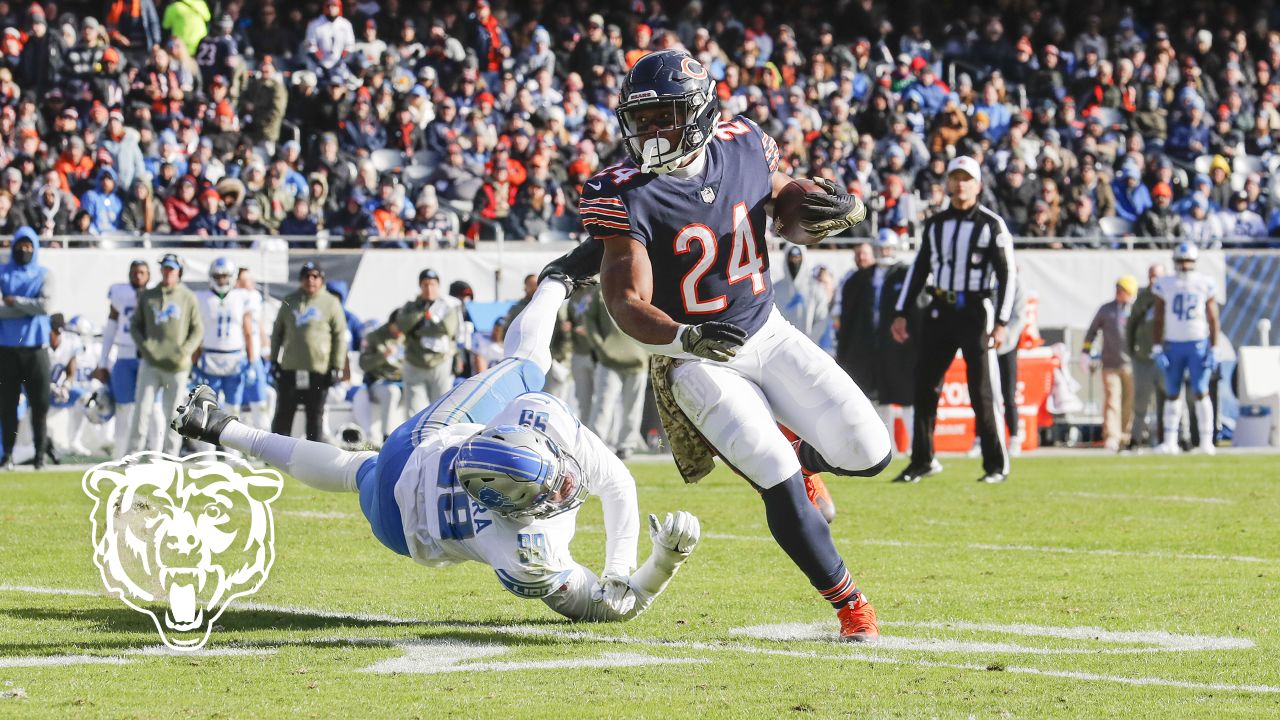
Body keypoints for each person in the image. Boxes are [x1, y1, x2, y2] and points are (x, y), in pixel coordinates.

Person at [171, 272, 699, 621]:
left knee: (519, 372)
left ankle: (221, 428)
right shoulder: (523, 551)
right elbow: (606, 611)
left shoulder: (533, 418)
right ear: (516, 508)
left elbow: (614, 486)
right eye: (555, 487)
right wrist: (660, 565)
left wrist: (617, 570)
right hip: (406, 521)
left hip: (419, 473)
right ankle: (557, 279)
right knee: (522, 366)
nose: (570, 484)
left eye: (559, 473)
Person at [584, 50, 884, 641]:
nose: (650, 132)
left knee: (869, 452)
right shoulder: (621, 190)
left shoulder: (745, 141)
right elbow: (626, 300)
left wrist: (820, 210)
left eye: (664, 117)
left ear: (698, 113)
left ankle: (804, 455)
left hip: (766, 330)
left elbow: (782, 208)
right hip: (694, 353)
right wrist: (683, 335)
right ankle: (854, 610)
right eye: (641, 120)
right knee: (772, 470)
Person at [890, 156, 1017, 484]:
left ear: (978, 185)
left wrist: (1002, 321)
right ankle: (923, 460)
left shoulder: (991, 224)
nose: (960, 184)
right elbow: (919, 269)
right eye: (955, 178)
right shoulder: (935, 225)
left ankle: (995, 465)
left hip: (976, 312)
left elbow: (1007, 275)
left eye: (966, 178)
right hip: (939, 309)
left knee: (982, 390)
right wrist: (901, 313)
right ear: (947, 183)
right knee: (924, 385)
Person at [837, 229, 922, 449]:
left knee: (907, 398)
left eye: (888, 248)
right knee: (877, 399)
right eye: (881, 248)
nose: (884, 252)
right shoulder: (861, 278)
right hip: (872, 348)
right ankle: (887, 446)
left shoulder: (905, 274)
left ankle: (917, 448)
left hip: (900, 347)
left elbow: (918, 309)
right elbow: (849, 316)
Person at [129, 253, 203, 454]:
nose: (168, 273)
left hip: (177, 366)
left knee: (173, 414)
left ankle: (170, 458)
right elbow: (134, 325)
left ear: (179, 271)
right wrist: (146, 348)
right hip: (151, 364)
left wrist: (184, 351)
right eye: (165, 268)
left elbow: (197, 330)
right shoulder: (149, 295)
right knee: (141, 412)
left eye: (172, 269)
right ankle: (132, 459)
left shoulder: (188, 297)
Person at [1152, 243, 1218, 454]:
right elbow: (1158, 317)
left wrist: (1214, 347)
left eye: (1188, 261)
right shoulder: (1165, 284)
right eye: (1180, 261)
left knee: (1200, 391)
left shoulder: (1204, 283)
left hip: (1198, 342)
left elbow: (1213, 317)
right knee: (1172, 392)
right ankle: (1171, 441)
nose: (1184, 265)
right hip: (1173, 344)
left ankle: (1207, 440)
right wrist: (1156, 347)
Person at [270, 261, 347, 441]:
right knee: (284, 412)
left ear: (321, 279)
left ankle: (314, 455)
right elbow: (277, 333)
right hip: (291, 366)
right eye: (306, 276)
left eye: (315, 276)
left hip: (318, 369)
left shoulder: (331, 302)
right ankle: (276, 451)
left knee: (315, 414)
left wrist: (336, 366)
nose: (310, 280)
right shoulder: (290, 300)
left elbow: (339, 336)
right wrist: (274, 360)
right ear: (300, 279)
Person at [0, 227, 53, 470]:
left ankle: (40, 456)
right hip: (7, 350)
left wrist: (14, 302)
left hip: (36, 350)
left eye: (29, 245)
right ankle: (7, 454)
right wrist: (27, 307)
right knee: (7, 406)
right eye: (21, 245)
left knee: (40, 406)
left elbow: (45, 307)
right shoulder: (3, 272)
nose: (24, 250)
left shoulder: (44, 274)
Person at [584, 285, 649, 459]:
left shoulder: (645, 284)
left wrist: (648, 351)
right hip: (609, 360)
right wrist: (601, 348)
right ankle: (595, 445)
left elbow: (653, 318)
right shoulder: (600, 289)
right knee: (603, 403)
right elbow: (589, 320)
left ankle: (626, 445)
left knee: (633, 406)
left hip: (638, 358)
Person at [192, 258, 254, 434]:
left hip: (235, 357)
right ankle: (208, 454)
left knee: (233, 408)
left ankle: (232, 449)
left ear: (232, 277)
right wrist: (193, 362)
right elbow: (197, 332)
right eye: (217, 276)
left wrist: (251, 360)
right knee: (207, 408)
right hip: (209, 357)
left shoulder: (242, 296)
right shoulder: (201, 297)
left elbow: (248, 330)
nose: (221, 280)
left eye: (225, 276)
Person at [394, 269, 462, 418]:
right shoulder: (411, 306)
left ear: (438, 285)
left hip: (441, 361)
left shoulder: (447, 305)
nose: (429, 288)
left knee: (441, 408)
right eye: (425, 285)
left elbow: (446, 328)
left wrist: (418, 330)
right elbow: (402, 325)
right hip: (415, 361)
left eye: (432, 284)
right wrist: (420, 315)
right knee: (414, 409)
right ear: (420, 286)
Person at [1083, 276, 1137, 451]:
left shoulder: (1135, 310)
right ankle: (1112, 436)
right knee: (1112, 400)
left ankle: (1126, 435)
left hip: (1131, 364)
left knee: (1129, 402)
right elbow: (1092, 332)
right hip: (1110, 363)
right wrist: (1086, 351)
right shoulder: (1106, 310)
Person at [1126, 264, 1169, 449]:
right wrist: (1132, 352)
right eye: (1151, 276)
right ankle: (1135, 439)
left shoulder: (1170, 294)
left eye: (1157, 276)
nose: (1153, 280)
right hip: (1144, 357)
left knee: (1171, 399)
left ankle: (1174, 438)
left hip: (1167, 357)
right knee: (1141, 401)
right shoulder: (1142, 298)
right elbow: (1131, 326)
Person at [356, 310, 404, 443]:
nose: (401, 330)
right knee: (391, 392)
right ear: (392, 323)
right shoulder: (373, 337)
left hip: (403, 382)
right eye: (399, 326)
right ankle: (387, 438)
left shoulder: (406, 338)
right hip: (380, 382)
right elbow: (363, 363)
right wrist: (383, 356)